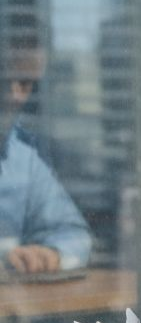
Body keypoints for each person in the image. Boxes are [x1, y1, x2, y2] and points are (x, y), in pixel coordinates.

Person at [1, 37, 91, 273]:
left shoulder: (23, 158)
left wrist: (50, 254)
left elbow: (73, 235)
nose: (15, 96)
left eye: (26, 83)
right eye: (4, 80)